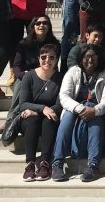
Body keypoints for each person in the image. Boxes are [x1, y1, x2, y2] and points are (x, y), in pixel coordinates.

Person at [52, 44, 105, 182]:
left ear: (99, 58)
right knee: (67, 115)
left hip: (98, 112)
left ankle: (93, 165)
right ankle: (57, 163)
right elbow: (64, 96)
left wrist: (94, 110)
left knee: (95, 116)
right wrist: (80, 108)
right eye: (87, 57)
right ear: (81, 59)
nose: (90, 60)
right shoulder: (73, 72)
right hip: (76, 110)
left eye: (93, 57)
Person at [19, 43, 62, 181]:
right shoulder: (29, 76)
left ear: (56, 60)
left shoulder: (60, 78)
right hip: (30, 118)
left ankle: (45, 163)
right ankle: (30, 164)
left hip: (50, 117)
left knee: (48, 120)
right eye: (43, 57)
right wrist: (42, 109)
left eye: (51, 57)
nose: (47, 60)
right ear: (38, 58)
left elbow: (60, 104)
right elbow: (23, 104)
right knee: (33, 121)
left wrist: (39, 111)